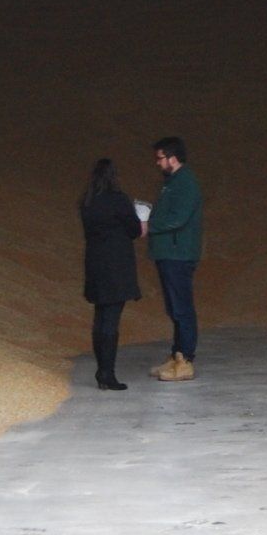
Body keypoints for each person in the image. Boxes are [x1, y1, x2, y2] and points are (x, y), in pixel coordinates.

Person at [79, 156, 143, 391]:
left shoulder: (87, 201)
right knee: (111, 321)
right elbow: (135, 230)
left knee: (100, 318)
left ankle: (101, 370)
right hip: (117, 266)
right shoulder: (119, 200)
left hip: (95, 264)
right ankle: (108, 372)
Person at [147, 135, 204, 381]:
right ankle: (177, 355)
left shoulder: (185, 183)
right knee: (175, 307)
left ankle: (185, 360)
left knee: (182, 307)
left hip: (177, 254)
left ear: (172, 158)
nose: (157, 163)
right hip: (170, 253)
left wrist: (149, 224)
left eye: (160, 158)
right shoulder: (173, 182)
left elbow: (177, 217)